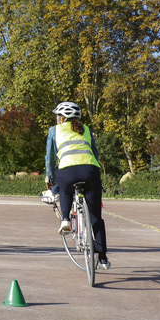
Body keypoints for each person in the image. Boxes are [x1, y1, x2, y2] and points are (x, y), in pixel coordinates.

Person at [45, 101, 110, 269]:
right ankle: (103, 258)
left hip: (67, 171)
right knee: (96, 216)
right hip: (90, 170)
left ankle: (65, 219)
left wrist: (50, 177)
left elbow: (50, 157)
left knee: (65, 191)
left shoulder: (54, 130)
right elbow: (95, 153)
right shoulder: (87, 130)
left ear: (61, 118)